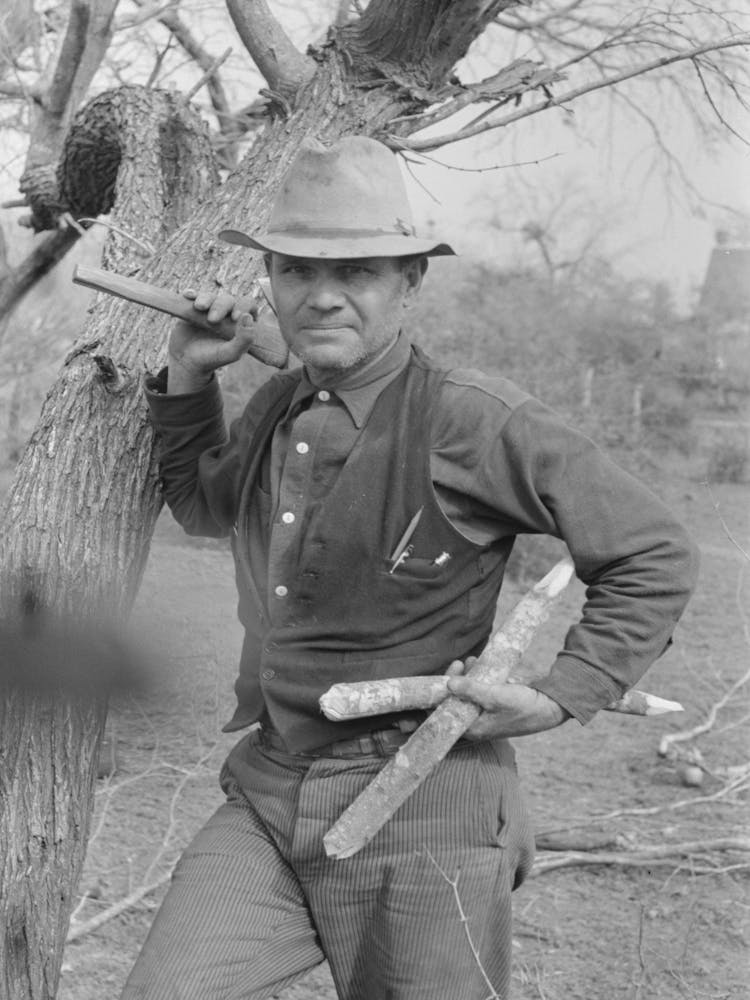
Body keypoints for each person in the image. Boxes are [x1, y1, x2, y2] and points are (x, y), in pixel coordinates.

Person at [122, 136, 699, 1000]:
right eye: (294, 271)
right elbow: (206, 509)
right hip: (271, 785)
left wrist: (557, 694)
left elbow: (652, 551)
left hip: (424, 798)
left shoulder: (474, 418)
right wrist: (189, 373)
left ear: (410, 284)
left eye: (357, 273)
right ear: (269, 282)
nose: (321, 297)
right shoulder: (283, 400)